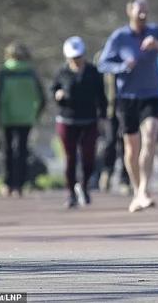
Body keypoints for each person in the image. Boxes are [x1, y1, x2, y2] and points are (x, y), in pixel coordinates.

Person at [97, 0, 158, 212]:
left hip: (151, 95)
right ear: (129, 11)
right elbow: (103, 63)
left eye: (145, 11)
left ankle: (144, 188)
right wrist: (123, 66)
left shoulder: (156, 32)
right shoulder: (120, 37)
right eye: (139, 11)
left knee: (150, 137)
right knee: (131, 148)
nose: (143, 15)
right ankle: (136, 190)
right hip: (127, 98)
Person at [51, 36, 107, 208]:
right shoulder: (62, 73)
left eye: (78, 56)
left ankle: (84, 186)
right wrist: (57, 95)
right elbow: (53, 90)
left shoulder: (93, 72)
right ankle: (70, 193)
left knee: (88, 157)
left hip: (89, 119)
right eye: (72, 57)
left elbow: (101, 96)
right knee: (70, 158)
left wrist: (103, 117)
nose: (76, 60)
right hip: (67, 120)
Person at [0, 42, 46, 197]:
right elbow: (42, 97)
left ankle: (7, 183)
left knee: (8, 151)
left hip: (7, 116)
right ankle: (19, 184)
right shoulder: (31, 72)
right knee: (22, 150)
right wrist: (36, 113)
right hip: (26, 117)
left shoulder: (3, 72)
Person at [93, 50, 131, 195]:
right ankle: (107, 172)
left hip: (125, 108)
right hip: (108, 111)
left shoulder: (124, 59)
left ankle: (124, 179)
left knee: (125, 143)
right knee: (110, 142)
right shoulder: (100, 59)